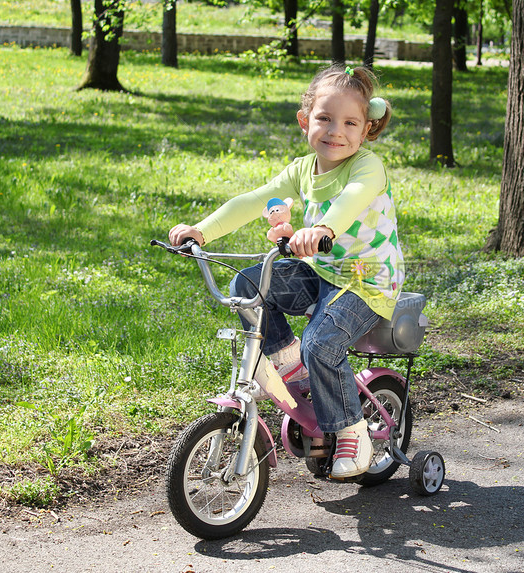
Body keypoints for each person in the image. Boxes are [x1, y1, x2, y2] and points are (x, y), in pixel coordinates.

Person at [168, 64, 403, 478]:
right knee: (247, 283)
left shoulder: (367, 168)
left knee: (322, 343)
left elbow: (352, 198)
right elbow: (254, 200)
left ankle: (352, 429)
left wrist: (324, 227)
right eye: (325, 119)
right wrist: (201, 231)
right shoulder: (302, 170)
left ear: (366, 130)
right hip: (321, 272)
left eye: (350, 122)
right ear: (304, 121)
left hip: (366, 280)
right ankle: (290, 363)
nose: (336, 131)